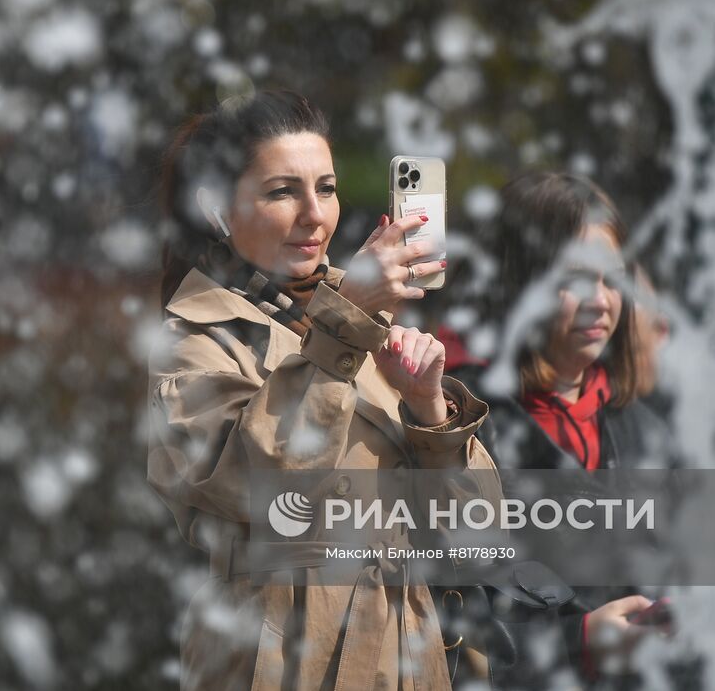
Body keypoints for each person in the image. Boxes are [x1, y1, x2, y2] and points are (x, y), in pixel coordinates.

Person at [147, 90, 502, 688]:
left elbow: (478, 536)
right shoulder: (191, 340)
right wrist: (348, 323)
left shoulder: (362, 321)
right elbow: (269, 486)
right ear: (216, 209)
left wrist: (429, 411)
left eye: (328, 188)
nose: (315, 214)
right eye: (282, 191)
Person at [442, 171, 677, 686]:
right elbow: (441, 629)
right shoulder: (457, 427)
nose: (600, 300)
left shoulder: (645, 430)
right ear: (519, 283)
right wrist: (580, 644)